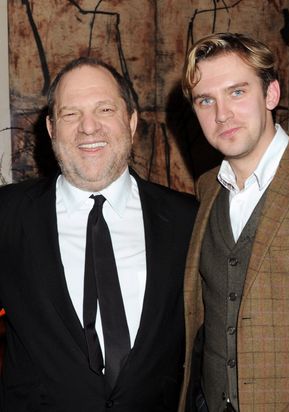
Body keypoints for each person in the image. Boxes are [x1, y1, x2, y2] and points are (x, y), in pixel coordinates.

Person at [0, 56, 198, 411]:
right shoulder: (7, 214)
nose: (88, 127)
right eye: (70, 113)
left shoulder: (188, 219)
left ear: (132, 121)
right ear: (50, 129)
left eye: (105, 109)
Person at [178, 33, 289, 412]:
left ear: (271, 94)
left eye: (237, 92)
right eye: (206, 100)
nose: (222, 113)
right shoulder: (206, 188)